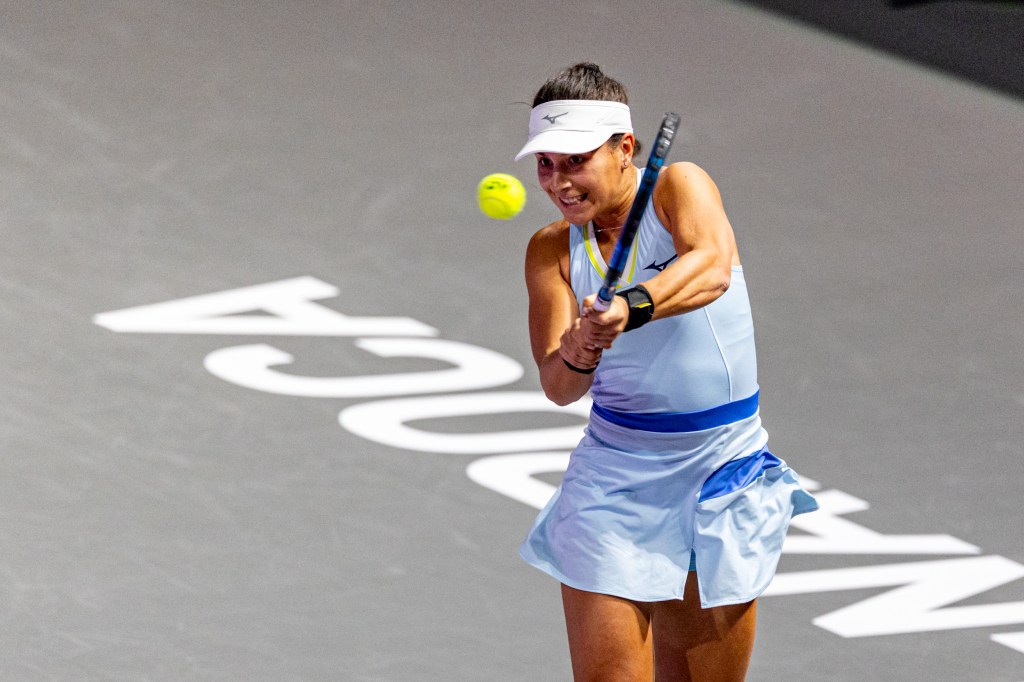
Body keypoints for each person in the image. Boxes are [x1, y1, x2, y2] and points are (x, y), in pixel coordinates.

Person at [516, 62, 818, 681]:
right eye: (545, 163)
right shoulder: (551, 250)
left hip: (719, 472)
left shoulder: (677, 187)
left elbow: (710, 265)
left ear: (625, 149)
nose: (557, 181)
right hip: (613, 478)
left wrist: (631, 306)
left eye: (574, 160)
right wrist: (581, 346)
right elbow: (558, 385)